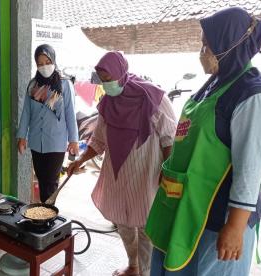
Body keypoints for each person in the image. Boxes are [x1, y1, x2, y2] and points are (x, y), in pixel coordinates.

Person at [145, 7, 261, 276]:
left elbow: (250, 167)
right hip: (186, 207)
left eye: (207, 45)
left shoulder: (253, 94)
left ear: (229, 45)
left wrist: (235, 227)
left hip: (218, 219)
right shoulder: (215, 82)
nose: (202, 52)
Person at [67, 51, 177, 276]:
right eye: (102, 79)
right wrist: (80, 160)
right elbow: (98, 140)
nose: (106, 84)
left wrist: (169, 172)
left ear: (121, 72)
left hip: (146, 172)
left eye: (108, 78)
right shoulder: (107, 103)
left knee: (147, 225)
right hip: (116, 174)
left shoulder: (152, 98)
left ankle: (146, 271)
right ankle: (133, 265)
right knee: (123, 222)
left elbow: (169, 138)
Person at [17, 44, 79, 203]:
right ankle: (46, 216)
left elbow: (70, 114)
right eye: (40, 63)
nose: (44, 66)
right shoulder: (33, 85)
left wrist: (73, 140)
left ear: (54, 60)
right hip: (37, 141)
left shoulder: (65, 85)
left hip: (56, 143)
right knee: (42, 180)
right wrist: (22, 136)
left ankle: (48, 217)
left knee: (51, 184)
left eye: (47, 61)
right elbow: (26, 112)